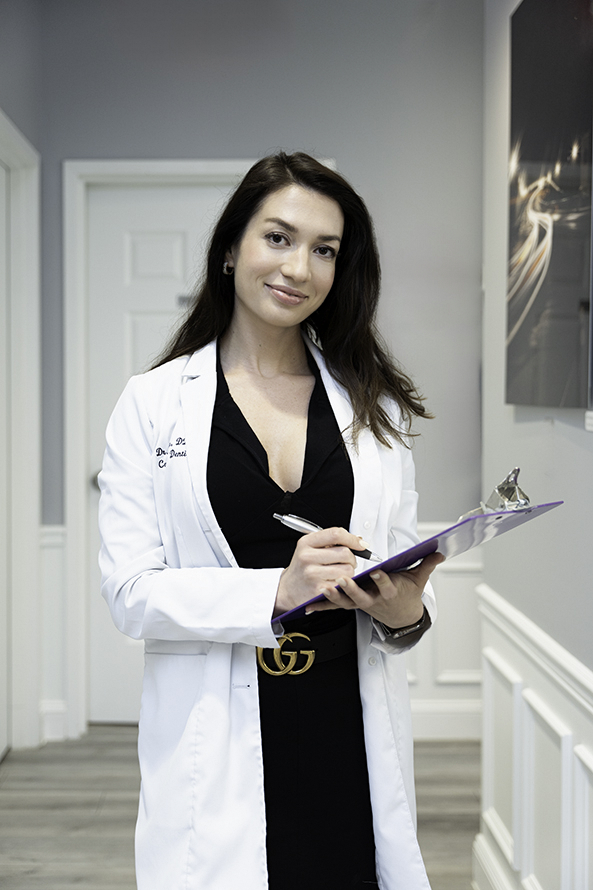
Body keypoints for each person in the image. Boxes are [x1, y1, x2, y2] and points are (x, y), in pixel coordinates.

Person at [98, 151, 443, 890]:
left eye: (324, 250)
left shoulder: (373, 408)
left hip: (345, 728)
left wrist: (405, 609)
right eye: (278, 238)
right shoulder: (153, 403)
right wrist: (274, 595)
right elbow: (130, 593)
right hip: (217, 738)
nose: (299, 267)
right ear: (231, 249)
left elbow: (406, 581)